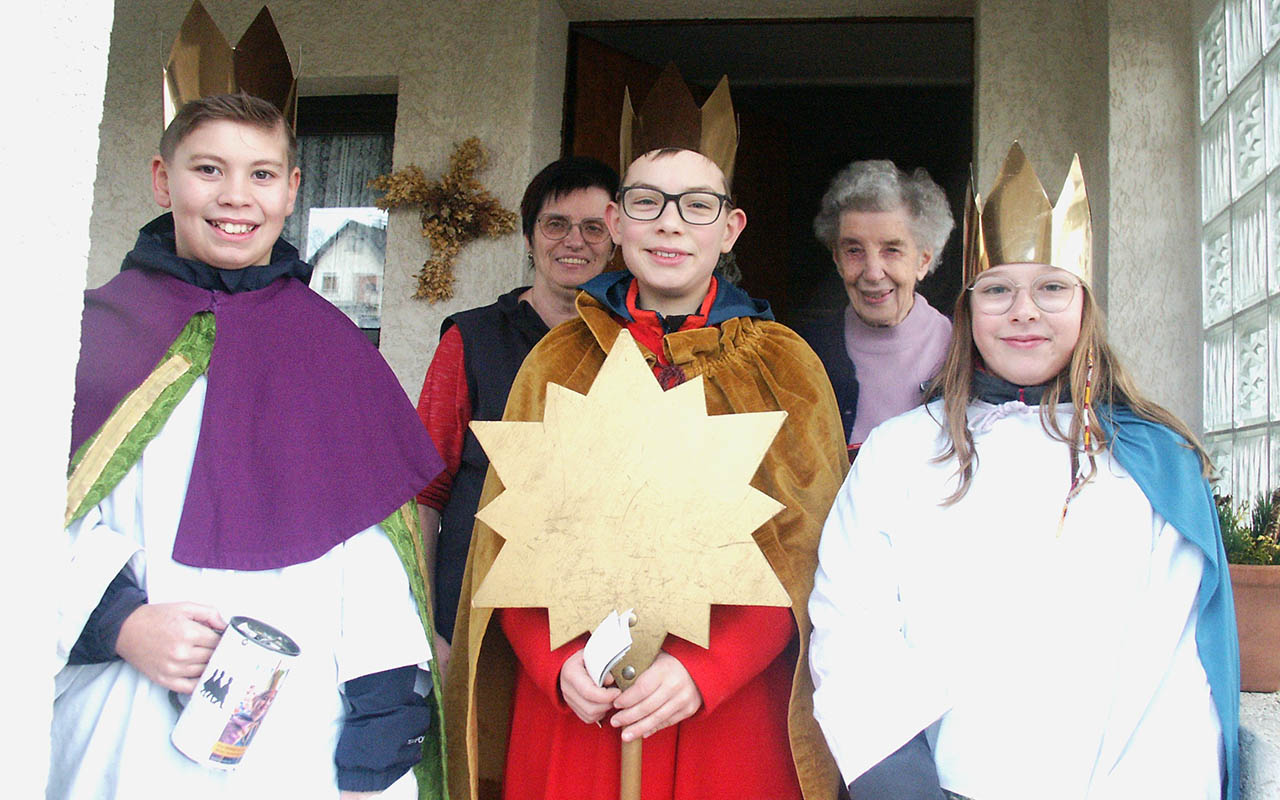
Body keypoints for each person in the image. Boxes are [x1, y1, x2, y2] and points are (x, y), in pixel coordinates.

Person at [444, 65, 848, 800]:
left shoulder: (784, 364)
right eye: (646, 203)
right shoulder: (557, 358)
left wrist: (709, 670)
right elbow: (509, 539)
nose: (669, 223)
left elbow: (805, 548)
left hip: (720, 710)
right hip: (580, 703)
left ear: (730, 228)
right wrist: (555, 660)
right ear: (617, 225)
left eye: (696, 206)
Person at [808, 143, 1240, 800]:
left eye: (1052, 288)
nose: (1025, 311)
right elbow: (853, 624)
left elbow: (1179, 671)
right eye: (999, 290)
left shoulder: (1153, 469)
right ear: (968, 309)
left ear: (1087, 304)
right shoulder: (898, 454)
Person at [52, 91, 445, 799]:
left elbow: (373, 552)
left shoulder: (334, 348)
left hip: (301, 730)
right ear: (161, 178)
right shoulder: (87, 335)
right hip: (124, 718)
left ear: (293, 190)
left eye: (262, 174)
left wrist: (386, 701)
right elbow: (25, 516)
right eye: (208, 169)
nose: (237, 197)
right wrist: (116, 621)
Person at [415, 156, 618, 666]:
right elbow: (422, 493)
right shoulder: (472, 339)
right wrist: (425, 623)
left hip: (590, 620)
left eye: (594, 228)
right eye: (556, 225)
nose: (575, 241)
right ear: (529, 238)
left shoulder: (633, 347)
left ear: (616, 240)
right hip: (473, 608)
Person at [802, 160, 954, 457]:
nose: (872, 273)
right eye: (854, 250)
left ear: (923, 260)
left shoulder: (963, 348)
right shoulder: (806, 350)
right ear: (837, 259)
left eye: (892, 250)